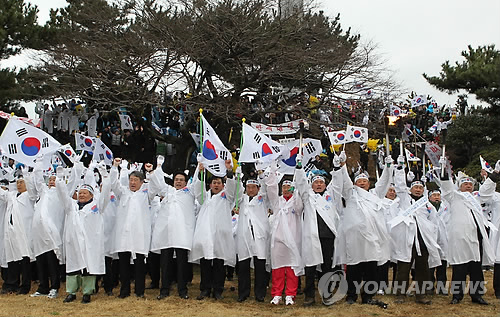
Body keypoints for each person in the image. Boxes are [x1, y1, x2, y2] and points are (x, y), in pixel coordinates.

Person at [332, 152, 392, 307]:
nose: (362, 183)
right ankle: (351, 295)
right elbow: (344, 182)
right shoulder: (350, 194)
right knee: (354, 269)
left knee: (371, 270)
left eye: (365, 181)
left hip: (372, 239)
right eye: (359, 181)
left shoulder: (374, 195)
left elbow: (385, 181)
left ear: (369, 183)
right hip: (355, 239)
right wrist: (342, 166)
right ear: (355, 183)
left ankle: (368, 296)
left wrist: (388, 166)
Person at [440, 169, 498, 305]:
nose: (468, 186)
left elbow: (487, 190)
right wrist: (444, 175)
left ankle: (477, 295)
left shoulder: (476, 198)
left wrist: (494, 176)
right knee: (459, 268)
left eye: (470, 184)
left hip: (475, 238)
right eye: (465, 184)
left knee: (476, 268)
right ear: (459, 186)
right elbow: (447, 188)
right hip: (460, 238)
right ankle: (457, 295)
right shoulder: (454, 197)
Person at [390, 160, 442, 305]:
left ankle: (421, 294)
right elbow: (400, 186)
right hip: (407, 240)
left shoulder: (427, 204)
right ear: (411, 189)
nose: (418, 189)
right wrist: (400, 169)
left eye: (420, 187)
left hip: (423, 240)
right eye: (415, 187)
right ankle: (400, 294)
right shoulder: (404, 200)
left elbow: (434, 221)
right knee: (403, 268)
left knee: (422, 269)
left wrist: (430, 234)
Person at [147, 156, 197, 300]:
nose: (178, 182)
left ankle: (182, 290)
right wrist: (154, 169)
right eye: (176, 179)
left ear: (186, 182)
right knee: (166, 264)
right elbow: (158, 183)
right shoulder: (168, 191)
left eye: (181, 180)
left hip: (182, 234)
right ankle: (164, 290)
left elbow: (198, 184)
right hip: (166, 234)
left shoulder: (189, 192)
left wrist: (199, 169)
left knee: (182, 264)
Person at [56, 164, 108, 304]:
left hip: (90, 242)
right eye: (80, 193)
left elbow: (106, 192)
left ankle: (87, 293)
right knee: (73, 268)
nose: (82, 195)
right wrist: (59, 179)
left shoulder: (97, 206)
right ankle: (71, 293)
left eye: (85, 193)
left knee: (88, 268)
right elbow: (62, 195)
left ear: (91, 195)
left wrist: (105, 175)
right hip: (73, 242)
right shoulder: (71, 206)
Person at [295, 154, 341, 306]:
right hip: (312, 237)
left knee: (327, 267)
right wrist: (300, 168)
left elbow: (338, 183)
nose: (319, 185)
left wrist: (337, 168)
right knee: (310, 267)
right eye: (316, 183)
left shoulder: (330, 196)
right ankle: (309, 296)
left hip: (328, 237)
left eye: (321, 182)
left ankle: (326, 294)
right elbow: (301, 184)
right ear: (312, 185)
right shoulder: (308, 197)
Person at [190, 159, 237, 300]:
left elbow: (232, 188)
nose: (216, 185)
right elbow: (197, 189)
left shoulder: (227, 197)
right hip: (205, 235)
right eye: (214, 183)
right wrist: (200, 171)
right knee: (205, 264)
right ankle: (205, 289)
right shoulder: (204, 197)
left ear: (223, 185)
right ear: (210, 185)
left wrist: (229, 171)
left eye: (219, 183)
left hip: (220, 236)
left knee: (219, 264)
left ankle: (218, 290)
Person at [109, 158, 155, 299]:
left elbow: (156, 186)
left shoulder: (146, 194)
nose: (133, 183)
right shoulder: (123, 193)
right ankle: (124, 291)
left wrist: (151, 172)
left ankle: (139, 291)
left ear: (142, 182)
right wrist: (115, 167)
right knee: (123, 265)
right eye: (131, 180)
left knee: (139, 265)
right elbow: (113, 183)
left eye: (136, 180)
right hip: (124, 235)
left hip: (139, 235)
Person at [265, 164, 304, 306]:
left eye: (289, 187)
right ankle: (276, 294)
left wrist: (298, 184)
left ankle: (290, 294)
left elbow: (300, 202)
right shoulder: (277, 202)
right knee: (278, 268)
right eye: (284, 187)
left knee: (292, 267)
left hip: (293, 239)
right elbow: (271, 189)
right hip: (278, 239)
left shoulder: (296, 203)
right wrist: (272, 171)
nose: (286, 190)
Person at [30, 162, 65, 299]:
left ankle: (54, 287)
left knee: (52, 261)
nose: (51, 182)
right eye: (50, 180)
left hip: (51, 233)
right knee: (40, 260)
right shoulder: (44, 192)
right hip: (39, 233)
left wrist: (61, 177)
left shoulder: (61, 194)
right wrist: (38, 164)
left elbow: (70, 184)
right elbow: (38, 181)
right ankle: (43, 287)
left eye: (54, 180)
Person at [233, 174, 271, 303]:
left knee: (260, 266)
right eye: (248, 187)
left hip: (259, 236)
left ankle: (260, 293)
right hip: (244, 236)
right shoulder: (241, 199)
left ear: (258, 188)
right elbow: (236, 191)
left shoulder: (262, 199)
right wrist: (237, 176)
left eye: (253, 187)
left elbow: (267, 188)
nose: (250, 190)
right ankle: (243, 293)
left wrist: (262, 175)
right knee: (243, 266)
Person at [0, 173, 36, 295]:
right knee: (12, 258)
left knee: (24, 259)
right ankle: (11, 284)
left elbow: (33, 190)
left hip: (24, 231)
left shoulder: (29, 196)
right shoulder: (12, 195)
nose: (19, 185)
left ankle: (25, 286)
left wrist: (28, 175)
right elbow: (2, 193)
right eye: (18, 183)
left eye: (22, 182)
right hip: (11, 231)